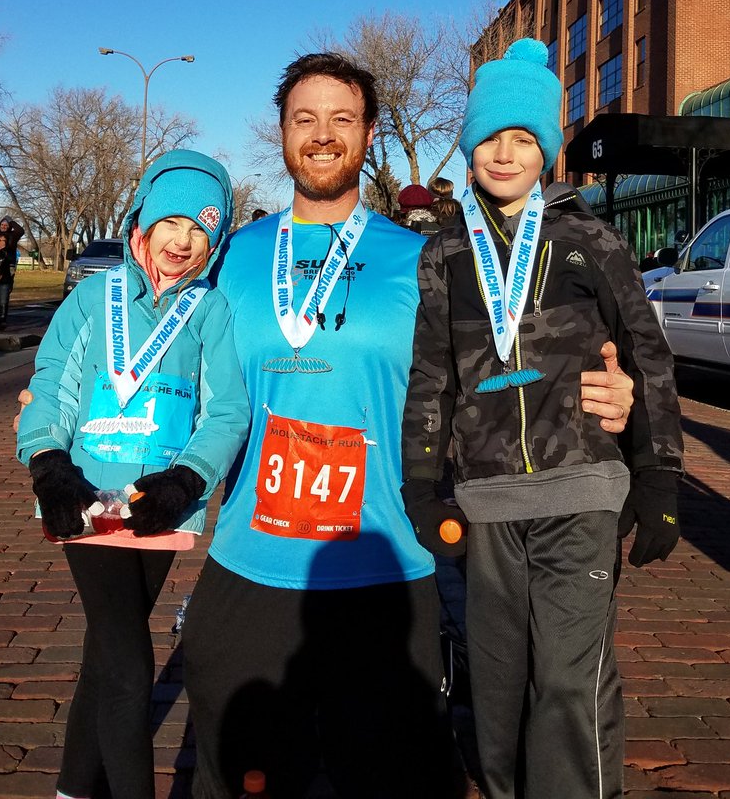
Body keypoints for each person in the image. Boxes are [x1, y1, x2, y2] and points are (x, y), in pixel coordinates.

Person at [176, 52, 638, 799]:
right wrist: (58, 411)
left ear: (368, 134)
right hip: (252, 565)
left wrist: (611, 394)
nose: (322, 134)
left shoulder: (430, 258)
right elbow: (157, 360)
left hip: (388, 569)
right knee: (241, 778)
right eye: (305, 119)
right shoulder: (232, 256)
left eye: (341, 119)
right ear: (282, 133)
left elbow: (516, 364)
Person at [401, 38, 684, 799]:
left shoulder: (591, 239)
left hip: (582, 489)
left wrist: (658, 477)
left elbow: (648, 357)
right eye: (491, 136)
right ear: (468, 144)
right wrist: (421, 489)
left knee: (568, 679)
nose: (505, 153)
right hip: (488, 503)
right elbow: (432, 378)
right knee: (495, 692)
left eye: (524, 138)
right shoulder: (445, 254)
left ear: (548, 149)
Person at [15, 150, 250, 799]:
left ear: (217, 240)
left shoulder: (210, 311)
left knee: (107, 653)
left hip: (158, 507)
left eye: (202, 228)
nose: (184, 240)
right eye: (172, 221)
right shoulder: (94, 298)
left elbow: (227, 408)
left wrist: (188, 479)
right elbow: (52, 386)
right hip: (84, 501)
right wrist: (49, 465)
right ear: (140, 225)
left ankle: (71, 788)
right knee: (127, 659)